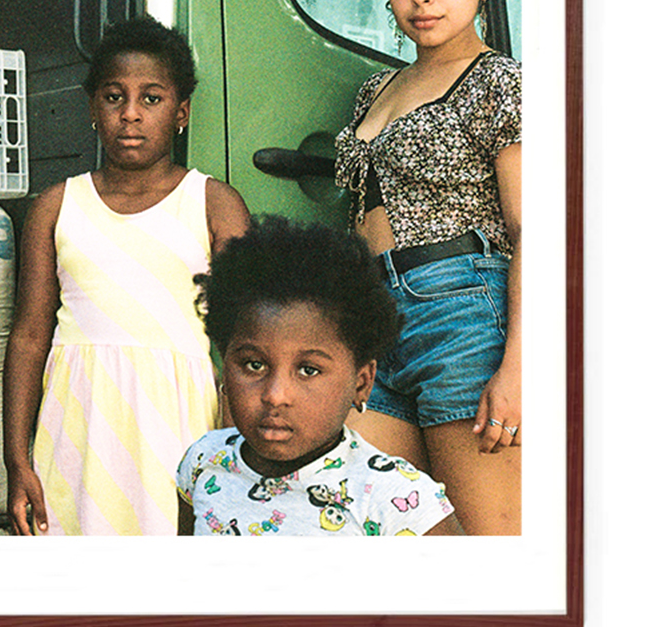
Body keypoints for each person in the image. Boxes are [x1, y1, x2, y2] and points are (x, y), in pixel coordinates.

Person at [3, 15, 250, 536]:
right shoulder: (58, 205)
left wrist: (233, 448)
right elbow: (28, 337)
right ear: (94, 109)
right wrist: (16, 460)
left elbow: (244, 338)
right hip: (77, 429)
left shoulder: (213, 203)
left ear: (181, 112)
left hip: (178, 429)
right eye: (114, 97)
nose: (130, 113)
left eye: (151, 98)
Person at [333, 0, 523, 534]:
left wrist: (518, 367)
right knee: (371, 524)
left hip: (462, 313)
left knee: (492, 539)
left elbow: (531, 230)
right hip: (371, 322)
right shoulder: (375, 89)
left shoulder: (500, 81)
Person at [177, 217, 461, 536]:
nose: (275, 395)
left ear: (362, 383)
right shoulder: (204, 462)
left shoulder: (394, 499)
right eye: (254, 365)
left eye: (308, 370)